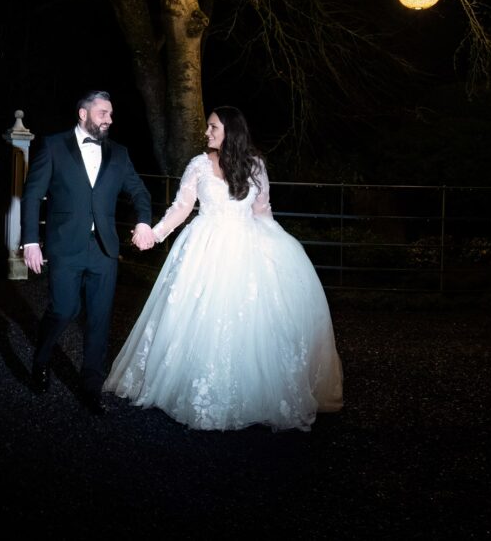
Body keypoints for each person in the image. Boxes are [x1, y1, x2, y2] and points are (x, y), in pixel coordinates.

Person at [104, 105, 343, 431]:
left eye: (212, 127)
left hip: (247, 251)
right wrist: (155, 235)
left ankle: (248, 393)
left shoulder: (255, 166)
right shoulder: (199, 165)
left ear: (230, 131)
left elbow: (263, 212)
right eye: (207, 127)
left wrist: (282, 251)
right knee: (198, 315)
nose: (206, 132)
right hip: (204, 248)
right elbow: (181, 208)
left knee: (247, 320)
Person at [21, 90, 156, 415]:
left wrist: (143, 222)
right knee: (64, 309)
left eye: (111, 114)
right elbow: (32, 194)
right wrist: (30, 241)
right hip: (65, 246)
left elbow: (139, 191)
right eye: (103, 113)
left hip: (105, 250)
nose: (109, 119)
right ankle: (41, 360)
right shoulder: (54, 146)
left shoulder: (120, 154)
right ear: (83, 114)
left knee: (99, 319)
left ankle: (90, 387)